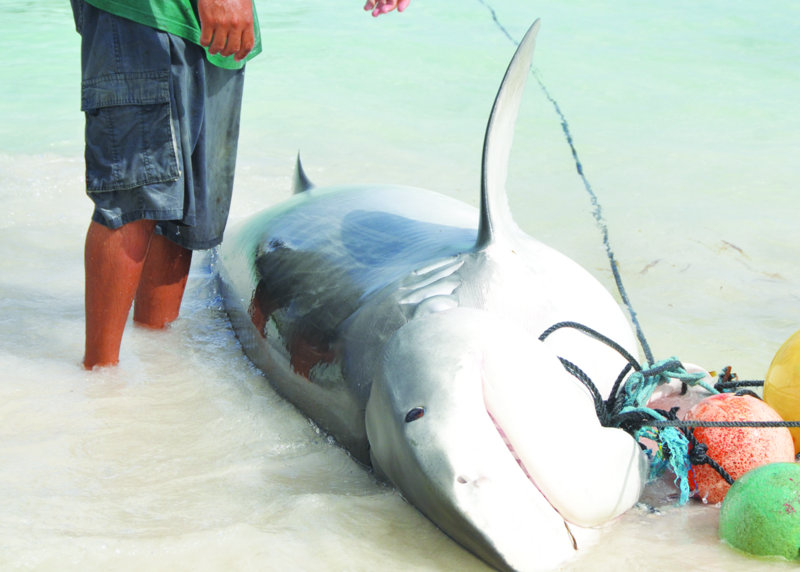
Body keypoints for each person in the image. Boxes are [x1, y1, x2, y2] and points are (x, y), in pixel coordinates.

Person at [74, 0, 411, 369]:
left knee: (187, 214)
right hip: (144, 13)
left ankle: (154, 364)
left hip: (210, 33)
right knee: (135, 196)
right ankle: (99, 390)